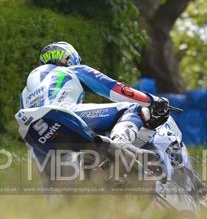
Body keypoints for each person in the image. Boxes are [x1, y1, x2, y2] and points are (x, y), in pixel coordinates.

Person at [17, 41, 172, 149]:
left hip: (35, 133)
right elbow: (117, 90)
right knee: (131, 108)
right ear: (70, 59)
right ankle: (121, 144)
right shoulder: (72, 70)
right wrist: (151, 100)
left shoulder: (24, 92)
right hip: (65, 115)